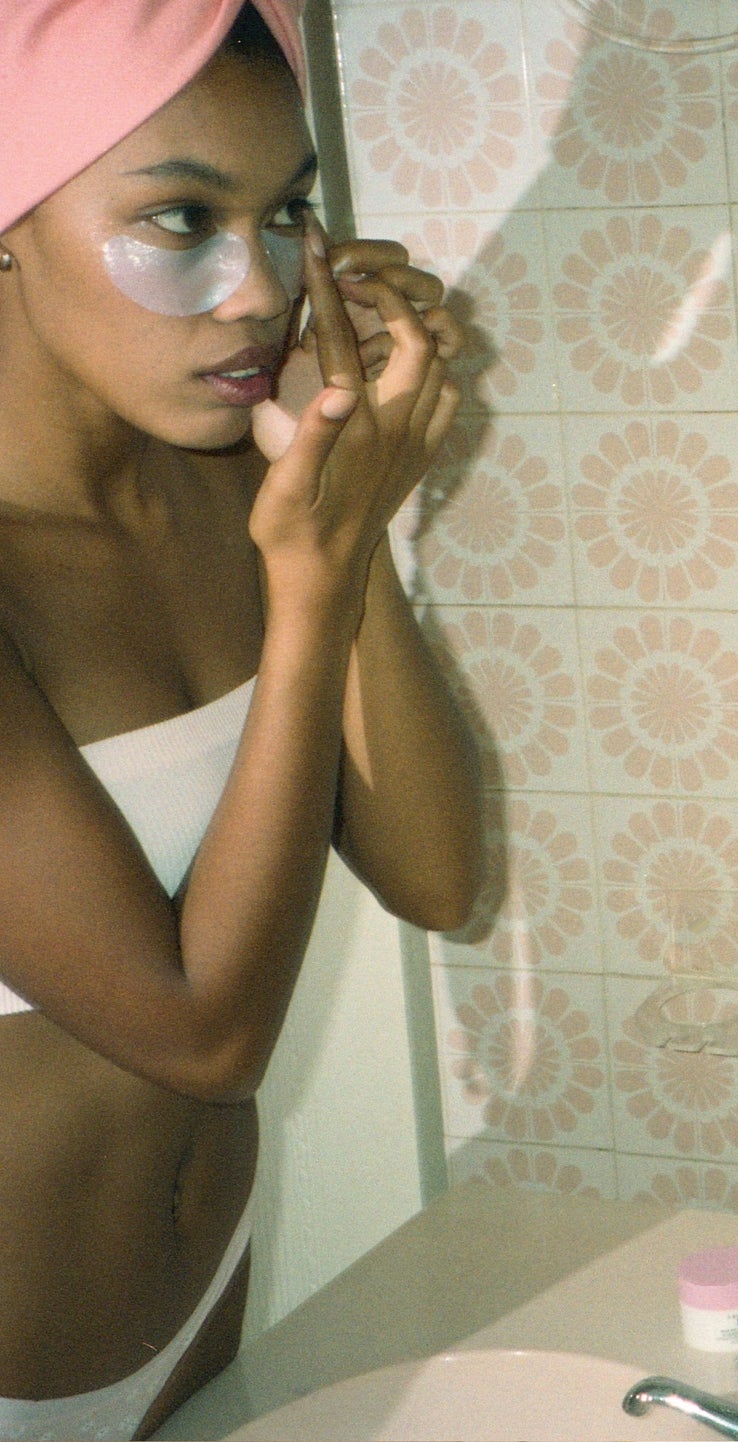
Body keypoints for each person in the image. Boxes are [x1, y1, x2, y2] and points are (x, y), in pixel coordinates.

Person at [0, 2, 484, 1436]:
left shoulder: (225, 488)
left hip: (202, 1303)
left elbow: (437, 876)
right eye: (179, 222)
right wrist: (315, 567)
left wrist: (349, 498)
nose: (258, 290)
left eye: (286, 216)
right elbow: (203, 1030)